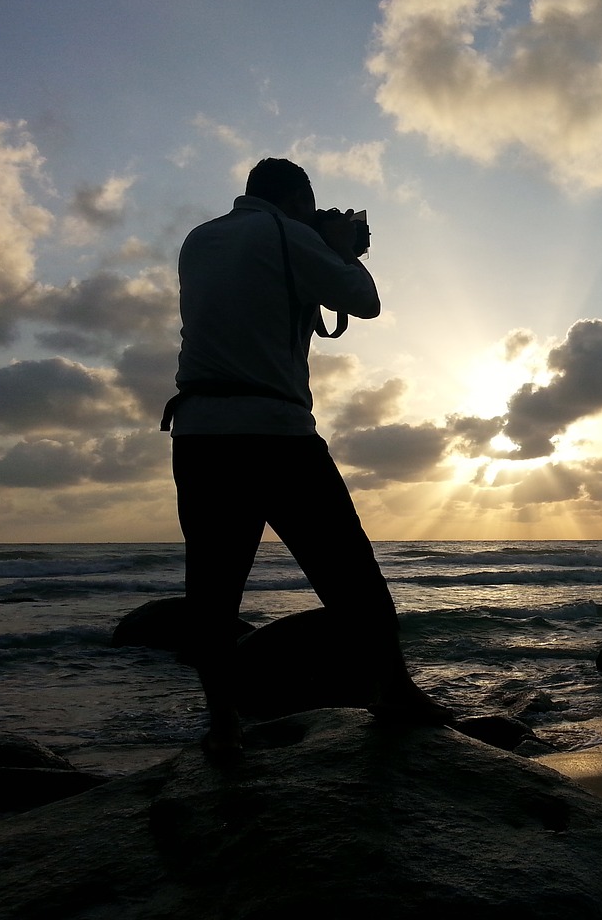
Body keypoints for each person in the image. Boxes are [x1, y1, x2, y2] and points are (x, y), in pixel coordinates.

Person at [163, 158, 450, 759]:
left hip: (198, 433)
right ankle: (393, 690)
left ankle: (222, 726)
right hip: (274, 432)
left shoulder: (199, 239)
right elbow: (362, 301)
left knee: (212, 592)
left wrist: (316, 243)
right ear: (298, 199)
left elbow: (259, 299)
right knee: (350, 572)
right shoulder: (286, 234)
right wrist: (344, 250)